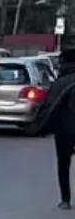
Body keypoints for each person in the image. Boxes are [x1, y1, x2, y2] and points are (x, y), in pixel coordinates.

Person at [46, 49, 75, 209]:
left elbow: (50, 106)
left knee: (63, 164)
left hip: (64, 131)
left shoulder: (60, 83)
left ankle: (65, 200)